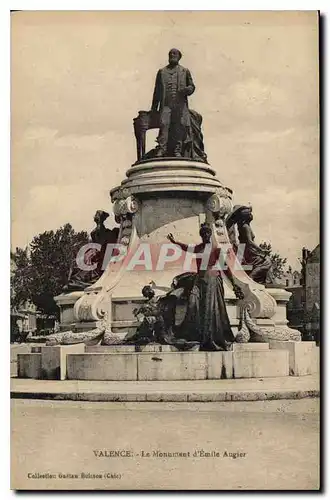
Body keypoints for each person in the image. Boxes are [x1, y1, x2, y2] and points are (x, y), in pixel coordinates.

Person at [166, 224, 237, 351]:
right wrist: (175, 242)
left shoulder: (216, 249)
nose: (205, 236)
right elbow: (186, 248)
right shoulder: (199, 248)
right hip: (201, 280)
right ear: (201, 235)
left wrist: (234, 284)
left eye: (207, 233)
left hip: (212, 280)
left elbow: (225, 267)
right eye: (203, 234)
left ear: (210, 234)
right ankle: (199, 334)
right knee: (196, 305)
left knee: (210, 309)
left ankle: (210, 337)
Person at [151, 48, 195, 157]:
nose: (172, 55)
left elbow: (192, 86)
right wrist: (154, 109)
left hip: (180, 105)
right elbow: (157, 91)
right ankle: (162, 148)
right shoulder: (162, 72)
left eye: (175, 53)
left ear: (179, 56)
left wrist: (188, 89)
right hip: (166, 104)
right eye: (170, 54)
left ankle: (177, 150)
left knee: (179, 126)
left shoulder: (184, 71)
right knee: (164, 124)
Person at [226, 205, 272, 284]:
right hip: (248, 252)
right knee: (267, 262)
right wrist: (261, 250)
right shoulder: (245, 227)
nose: (251, 215)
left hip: (246, 250)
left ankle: (263, 280)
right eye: (249, 214)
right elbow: (249, 242)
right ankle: (251, 278)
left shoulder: (244, 226)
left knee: (266, 260)